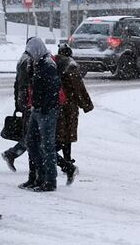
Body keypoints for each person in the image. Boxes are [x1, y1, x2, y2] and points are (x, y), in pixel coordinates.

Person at [22, 36, 62, 192]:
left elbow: (53, 89)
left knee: (47, 146)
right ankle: (39, 177)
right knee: (31, 142)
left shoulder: (48, 65)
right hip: (37, 109)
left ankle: (50, 180)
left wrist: (44, 106)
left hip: (47, 110)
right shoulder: (37, 64)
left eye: (31, 52)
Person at [57, 43, 94, 185]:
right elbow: (79, 88)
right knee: (66, 134)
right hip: (69, 105)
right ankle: (66, 161)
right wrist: (87, 105)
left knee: (59, 134)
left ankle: (66, 160)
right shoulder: (71, 66)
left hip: (56, 104)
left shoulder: (54, 63)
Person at [1, 40, 35, 175]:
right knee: (35, 137)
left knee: (32, 135)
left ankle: (13, 153)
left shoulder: (23, 59)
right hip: (29, 101)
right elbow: (27, 83)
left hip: (25, 100)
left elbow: (18, 84)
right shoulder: (29, 61)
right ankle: (64, 165)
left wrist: (18, 102)